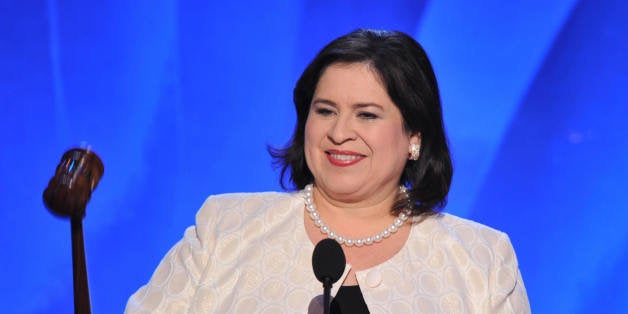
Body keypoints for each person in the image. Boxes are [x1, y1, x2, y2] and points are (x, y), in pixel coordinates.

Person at [125, 29, 530, 313]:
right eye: (325, 111)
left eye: (367, 115)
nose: (339, 133)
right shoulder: (225, 229)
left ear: (414, 137)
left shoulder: (481, 261)